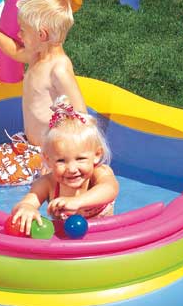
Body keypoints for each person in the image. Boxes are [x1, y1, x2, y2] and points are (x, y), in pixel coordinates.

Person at [0, 0, 86, 186]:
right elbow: (15, 51)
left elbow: (80, 115)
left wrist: (65, 157)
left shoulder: (58, 69)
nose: (19, 35)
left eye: (23, 31)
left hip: (49, 154)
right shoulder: (37, 55)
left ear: (41, 35)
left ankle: (47, 178)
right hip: (28, 145)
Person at [10, 96, 119, 236]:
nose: (72, 169)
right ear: (49, 160)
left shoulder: (100, 173)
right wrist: (26, 208)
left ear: (97, 155)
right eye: (61, 161)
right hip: (64, 243)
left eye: (80, 159)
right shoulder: (47, 183)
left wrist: (77, 202)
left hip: (102, 238)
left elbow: (110, 189)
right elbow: (26, 202)